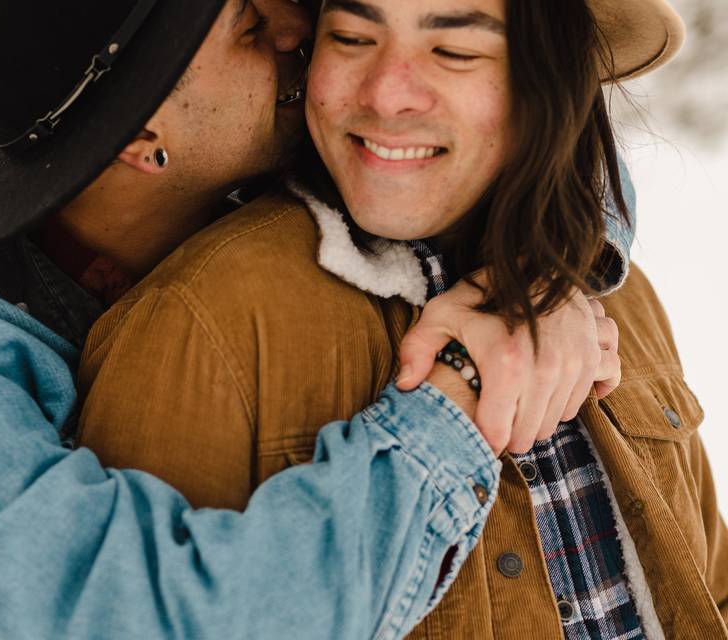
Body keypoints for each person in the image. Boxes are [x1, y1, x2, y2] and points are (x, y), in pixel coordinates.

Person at [0, 0, 628, 638]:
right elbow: (166, 621)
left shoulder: (229, 166)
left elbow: (530, 129)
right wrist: (458, 399)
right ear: (139, 133)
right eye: (247, 26)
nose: (299, 24)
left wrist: (540, 278)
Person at [75, 0, 728, 637]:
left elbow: (708, 584)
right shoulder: (201, 320)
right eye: (353, 37)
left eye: (454, 50)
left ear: (547, 81)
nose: (387, 95)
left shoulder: (611, 295)